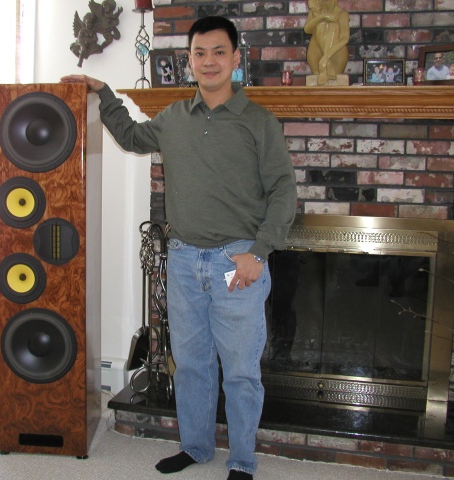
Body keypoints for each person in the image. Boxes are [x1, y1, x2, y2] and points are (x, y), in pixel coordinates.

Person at [62, 15, 297, 480]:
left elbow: (284, 192)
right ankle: (196, 447)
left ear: (234, 58)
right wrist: (103, 93)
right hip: (185, 260)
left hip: (238, 262)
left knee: (241, 372)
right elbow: (130, 137)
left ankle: (243, 460)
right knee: (190, 364)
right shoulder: (172, 117)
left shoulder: (258, 122)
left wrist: (260, 253)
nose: (208, 61)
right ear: (189, 61)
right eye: (199, 53)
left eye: (218, 52)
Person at [304, 0, 350, 85]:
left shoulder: (342, 14)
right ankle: (326, 65)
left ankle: (327, 62)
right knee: (321, 25)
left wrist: (326, 57)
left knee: (333, 26)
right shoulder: (315, 12)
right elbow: (307, 29)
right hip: (317, 56)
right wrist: (323, 16)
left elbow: (345, 38)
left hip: (335, 55)